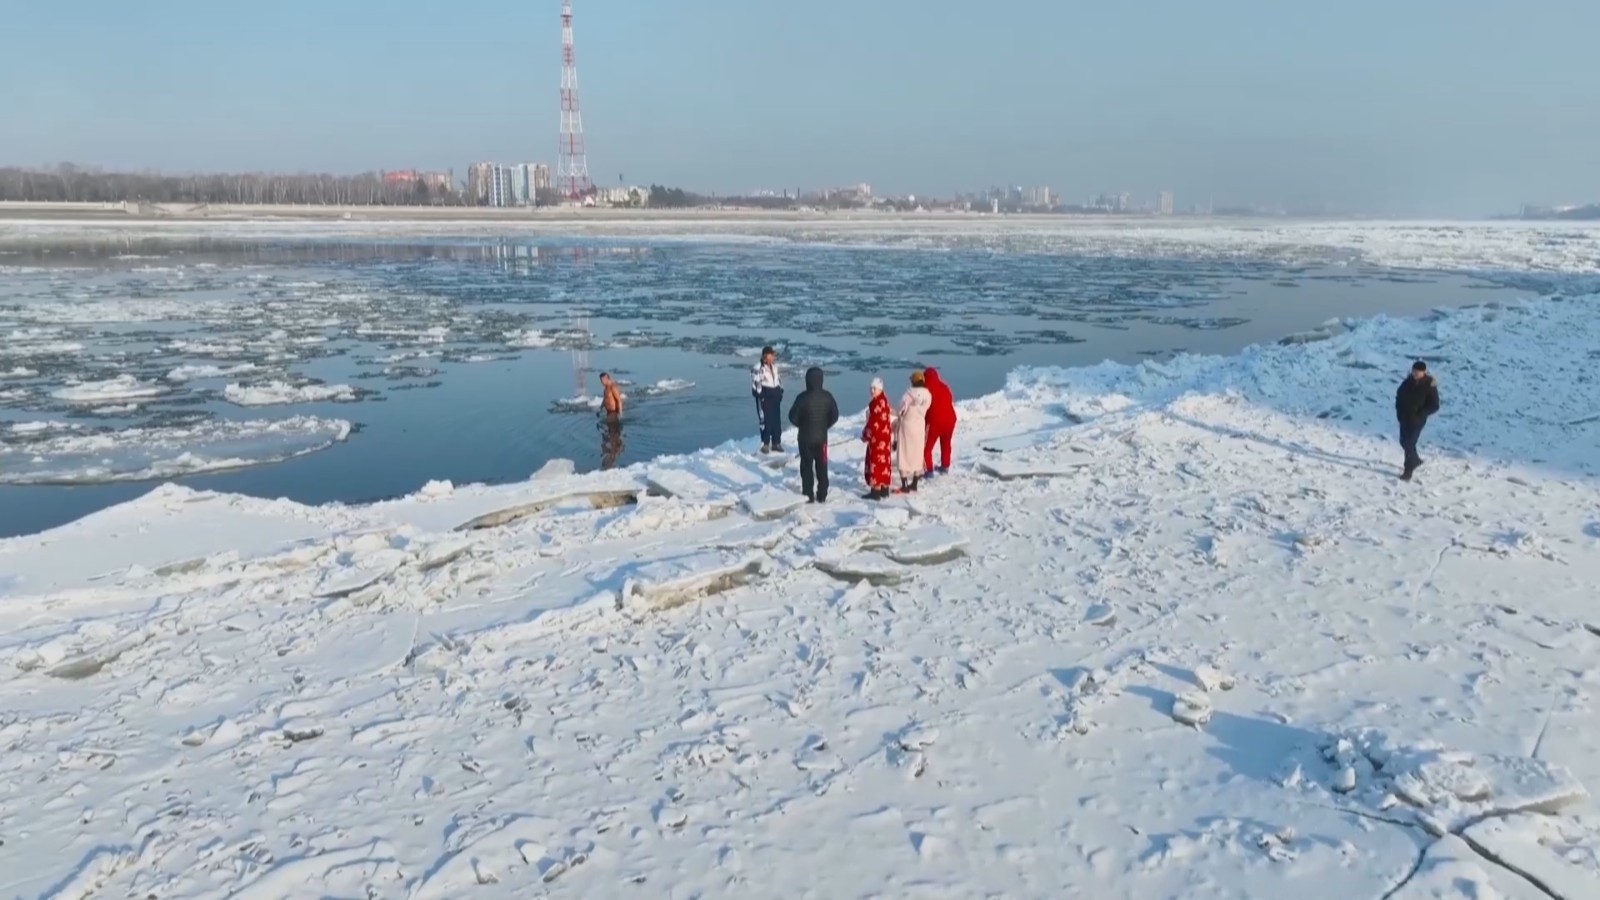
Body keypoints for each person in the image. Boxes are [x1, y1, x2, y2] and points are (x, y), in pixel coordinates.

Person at [787, 366, 839, 503]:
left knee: (807, 466)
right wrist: (824, 425)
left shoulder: (802, 398)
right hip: (822, 438)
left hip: (805, 438)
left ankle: (808, 494)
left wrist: (803, 425)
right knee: (822, 465)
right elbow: (835, 416)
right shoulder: (828, 397)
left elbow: (792, 417)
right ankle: (822, 494)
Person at [1395, 359, 1440, 481]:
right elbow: (1399, 396)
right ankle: (1415, 460)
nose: (1414, 374)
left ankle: (1408, 470)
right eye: (1413, 371)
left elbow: (1435, 405)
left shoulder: (1429, 385)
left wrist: (1421, 414)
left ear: (1423, 372)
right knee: (1403, 442)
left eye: (1417, 372)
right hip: (1404, 417)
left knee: (1409, 442)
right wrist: (1399, 412)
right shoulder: (1407, 383)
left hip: (1417, 420)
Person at [896, 371, 932, 493]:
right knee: (918, 452)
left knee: (903, 454)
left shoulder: (908, 395)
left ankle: (904, 484)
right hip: (919, 426)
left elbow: (900, 409)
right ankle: (915, 483)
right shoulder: (928, 395)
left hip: (907, 426)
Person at [860, 378, 894, 500]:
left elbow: (873, 424)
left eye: (875, 388)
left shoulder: (876, 405)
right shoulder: (884, 401)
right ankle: (884, 489)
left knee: (876, 463)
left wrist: (865, 435)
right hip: (884, 438)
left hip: (877, 439)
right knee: (884, 464)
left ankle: (875, 491)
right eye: (871, 388)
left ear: (880, 389)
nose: (872, 391)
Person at [922, 367, 957, 476]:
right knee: (946, 443)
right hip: (950, 419)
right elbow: (950, 400)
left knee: (926, 448)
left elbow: (924, 408)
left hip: (935, 421)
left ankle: (929, 471)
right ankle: (945, 466)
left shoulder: (925, 390)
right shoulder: (944, 386)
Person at [751, 346, 783, 453]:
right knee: (765, 420)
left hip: (775, 396)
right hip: (765, 397)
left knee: (776, 420)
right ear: (766, 355)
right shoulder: (758, 368)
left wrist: (780, 392)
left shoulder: (774, 366)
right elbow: (756, 383)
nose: (774, 356)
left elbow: (778, 380)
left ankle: (776, 442)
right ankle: (765, 444)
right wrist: (761, 396)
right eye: (772, 355)